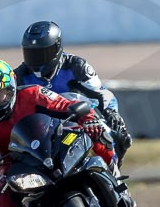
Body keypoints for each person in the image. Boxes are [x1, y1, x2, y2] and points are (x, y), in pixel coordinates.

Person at [0, 58, 120, 207]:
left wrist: (88, 119)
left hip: (54, 146)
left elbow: (64, 105)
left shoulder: (33, 93)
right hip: (18, 171)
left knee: (98, 133)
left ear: (11, 87)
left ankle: (115, 180)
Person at [14, 20, 133, 164]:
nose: (36, 61)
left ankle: (113, 169)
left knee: (116, 134)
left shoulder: (77, 66)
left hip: (79, 121)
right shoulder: (19, 76)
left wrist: (111, 113)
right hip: (41, 131)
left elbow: (102, 93)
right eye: (31, 54)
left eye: (42, 54)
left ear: (57, 48)